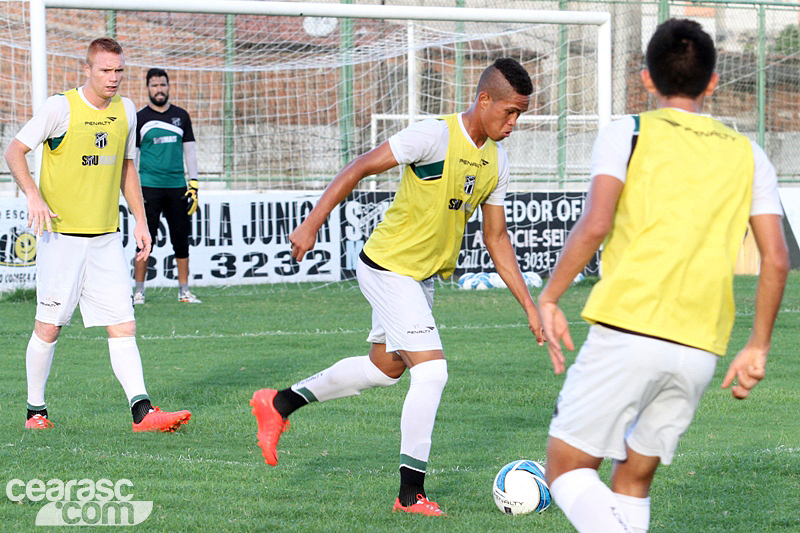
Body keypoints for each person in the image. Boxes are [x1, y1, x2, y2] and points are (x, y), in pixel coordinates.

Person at [250, 58, 544, 516]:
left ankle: (278, 403)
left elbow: (496, 237)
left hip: (419, 277)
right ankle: (410, 495)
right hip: (386, 267)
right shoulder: (434, 135)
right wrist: (311, 223)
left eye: (520, 115)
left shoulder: (497, 161)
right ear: (484, 99)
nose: (514, 123)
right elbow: (360, 167)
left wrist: (530, 305)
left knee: (385, 368)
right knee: (433, 372)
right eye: (509, 112)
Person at [536, 19, 788, 533]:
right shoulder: (749, 155)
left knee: (565, 467)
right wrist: (758, 345)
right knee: (632, 479)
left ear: (646, 79)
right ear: (713, 82)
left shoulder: (627, 133)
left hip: (628, 328)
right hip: (700, 348)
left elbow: (596, 224)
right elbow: (777, 259)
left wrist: (551, 295)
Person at [4, 38, 192, 433]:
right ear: (87, 70)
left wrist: (141, 221)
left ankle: (142, 412)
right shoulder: (61, 107)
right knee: (49, 326)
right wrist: (34, 196)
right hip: (62, 237)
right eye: (106, 70)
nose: (113, 78)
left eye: (119, 70)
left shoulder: (126, 111)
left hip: (106, 237)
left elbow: (127, 169)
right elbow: (15, 151)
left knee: (123, 324)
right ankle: (35, 411)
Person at [132, 68, 200, 305]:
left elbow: (189, 151)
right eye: (154, 85)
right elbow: (134, 157)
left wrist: (194, 183)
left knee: (181, 240)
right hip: (149, 188)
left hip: (177, 188)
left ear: (168, 87)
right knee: (144, 240)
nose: (159, 89)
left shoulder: (181, 116)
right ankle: (138, 292)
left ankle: (184, 291)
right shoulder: (140, 117)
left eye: (163, 85)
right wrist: (134, 189)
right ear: (147, 88)